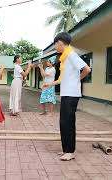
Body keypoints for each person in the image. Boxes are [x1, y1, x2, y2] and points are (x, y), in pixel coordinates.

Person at [43, 32, 91, 161]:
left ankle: (70, 151)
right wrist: (50, 84)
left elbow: (87, 69)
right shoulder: (65, 57)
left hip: (71, 93)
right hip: (66, 93)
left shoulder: (71, 54)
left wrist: (77, 80)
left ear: (60, 43)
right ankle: (66, 150)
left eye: (55, 45)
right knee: (64, 122)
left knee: (68, 122)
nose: (55, 47)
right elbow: (63, 78)